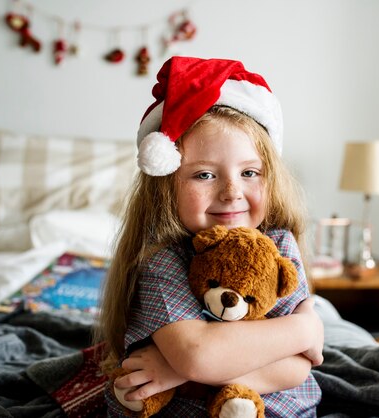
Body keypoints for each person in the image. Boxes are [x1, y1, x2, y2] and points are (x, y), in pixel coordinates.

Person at [97, 56, 324, 417]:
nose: (232, 191)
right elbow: (199, 354)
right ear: (166, 185)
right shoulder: (163, 259)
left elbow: (297, 368)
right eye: (204, 175)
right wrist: (304, 327)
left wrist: (176, 372)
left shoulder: (280, 246)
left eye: (249, 172)